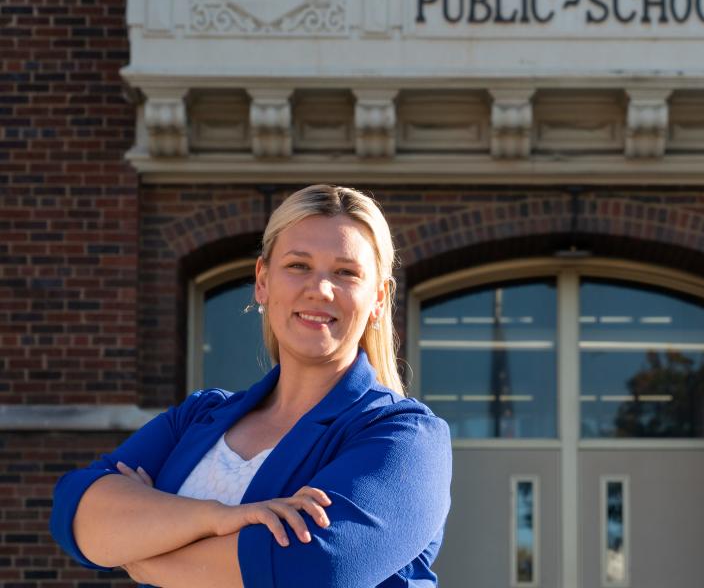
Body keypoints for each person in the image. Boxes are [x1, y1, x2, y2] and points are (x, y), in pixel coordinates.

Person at [49, 185, 453, 587]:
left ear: (378, 299)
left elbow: (312, 570)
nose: (320, 288)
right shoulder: (200, 416)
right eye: (298, 266)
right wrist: (216, 518)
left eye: (346, 272)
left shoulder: (406, 437)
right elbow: (76, 513)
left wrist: (142, 551)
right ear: (262, 281)